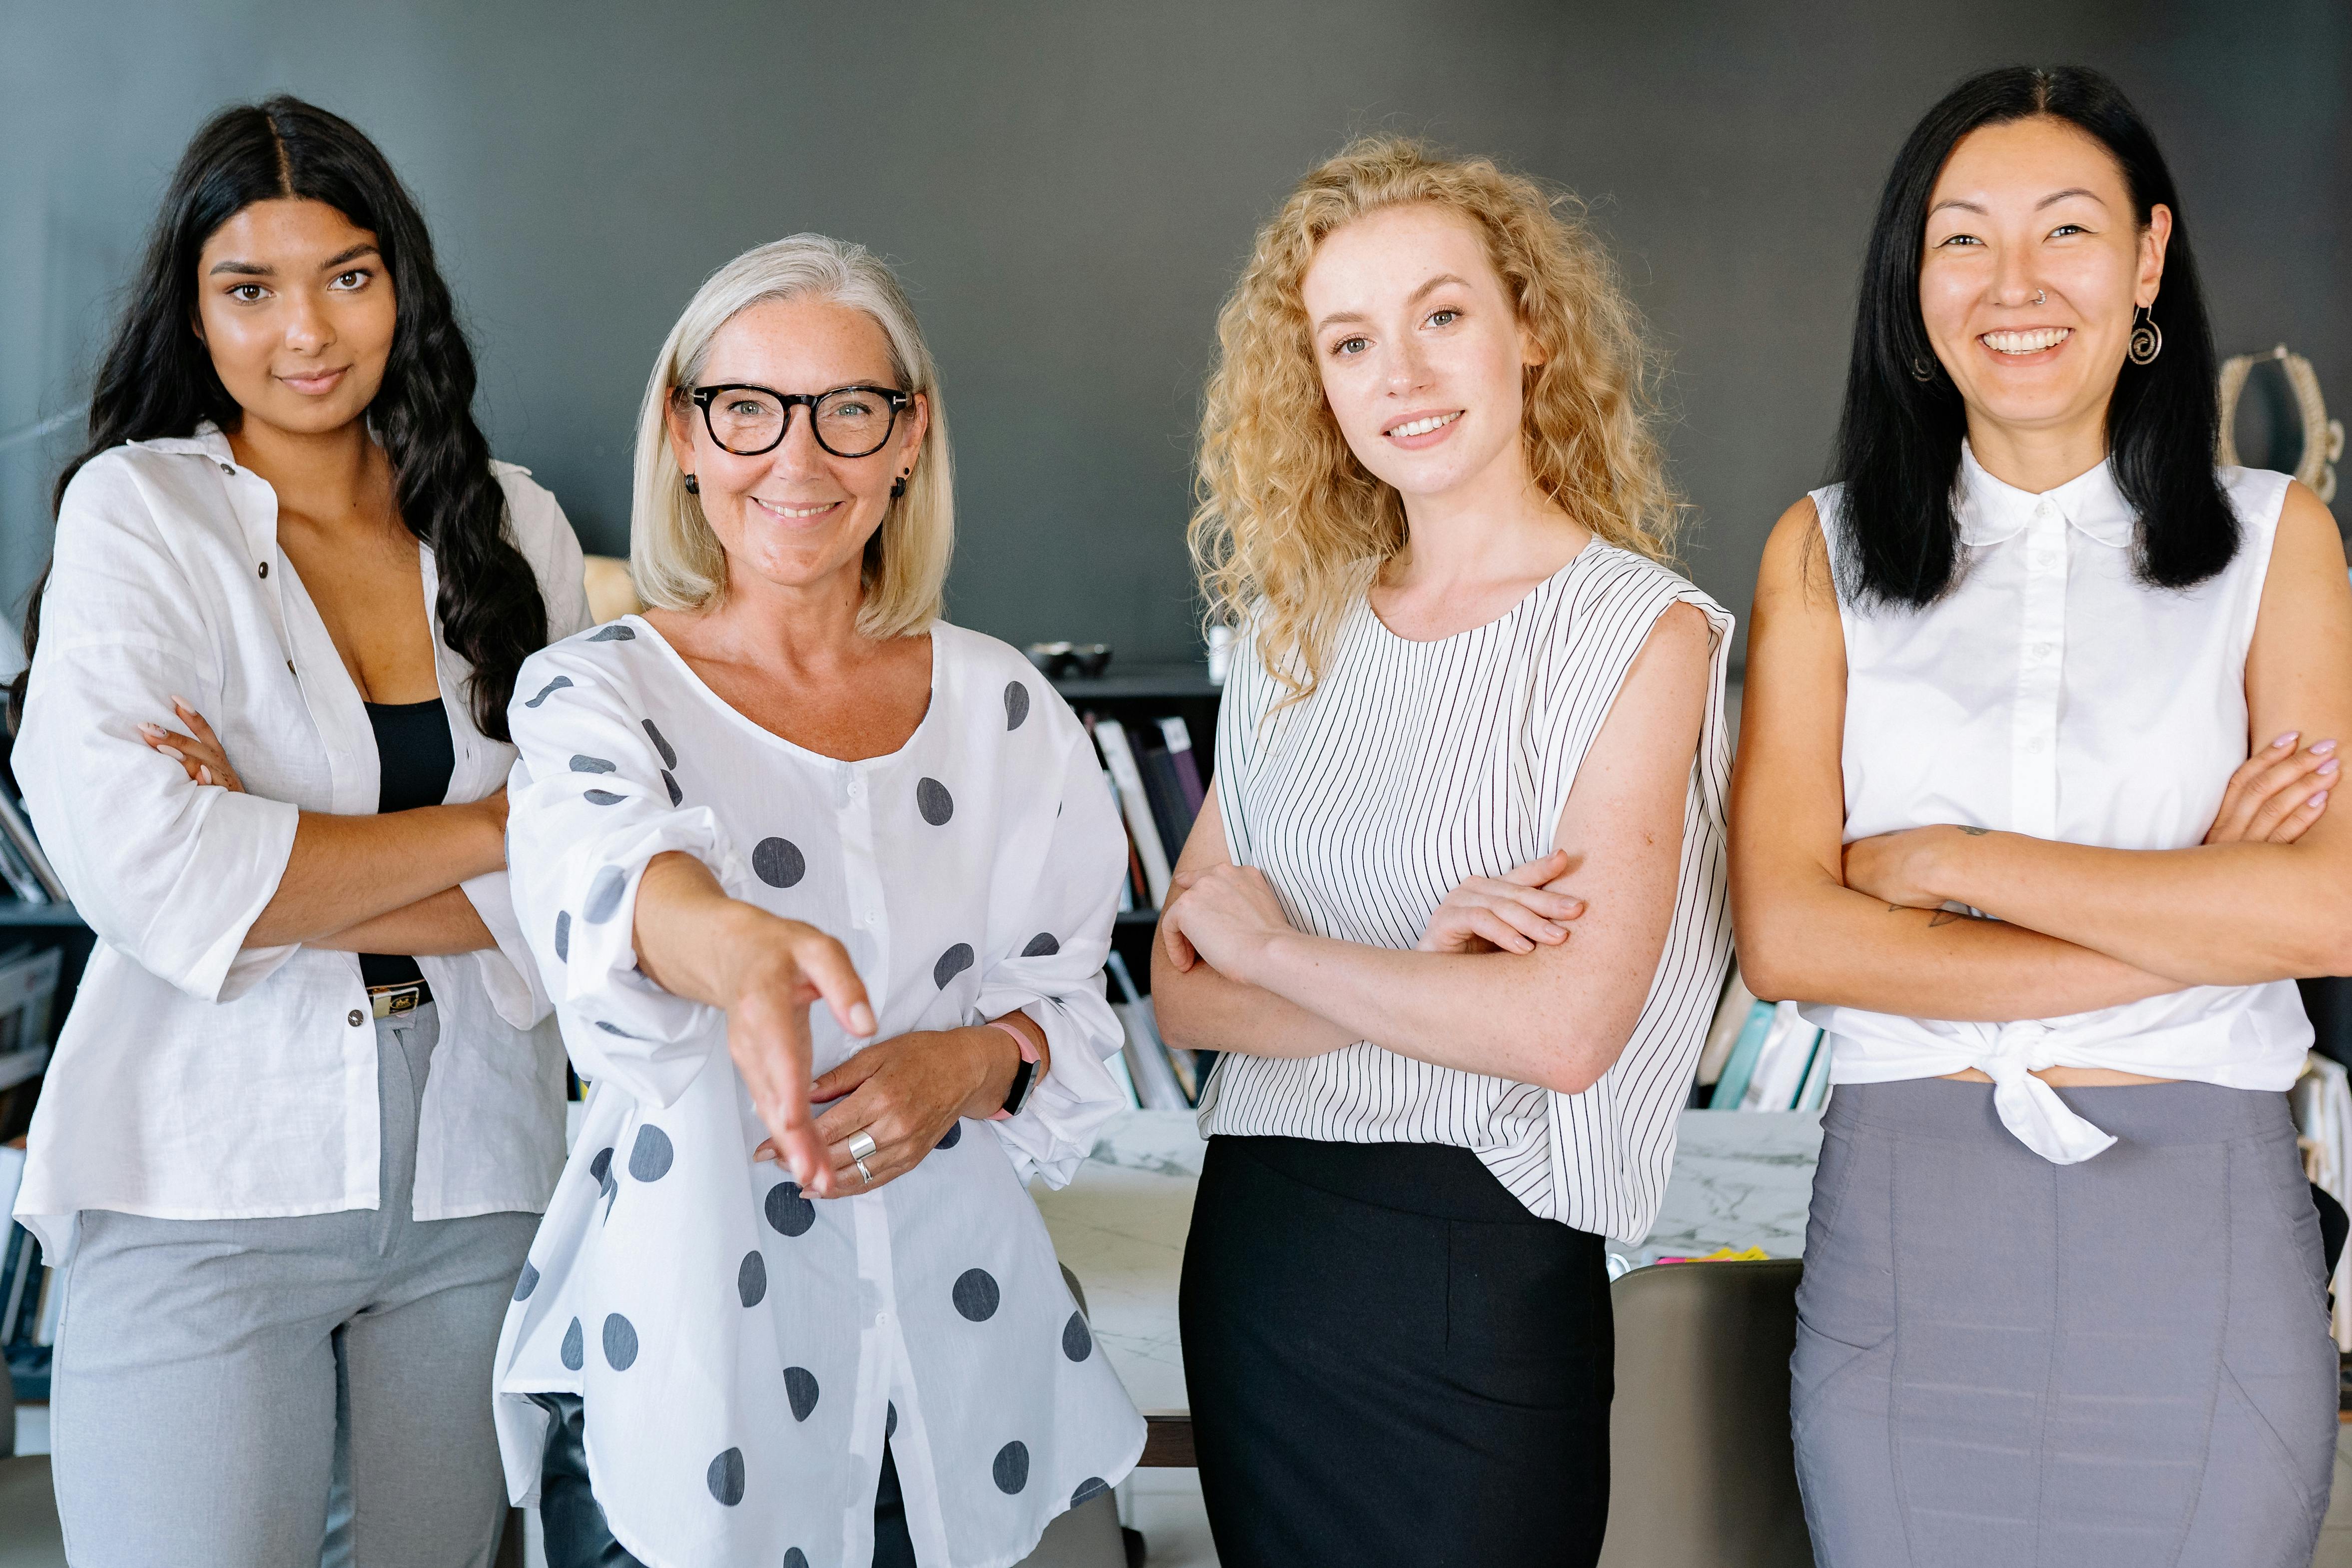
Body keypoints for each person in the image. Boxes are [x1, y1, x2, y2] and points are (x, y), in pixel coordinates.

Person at [1730, 65, 2348, 1565]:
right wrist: (2196, 901)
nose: (2013, 285)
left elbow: (2325, 906)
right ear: (1911, 275)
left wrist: (1950, 867)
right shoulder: (1818, 555)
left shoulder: (2276, 537)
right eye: (1962, 238)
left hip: (2197, 1223)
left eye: (2065, 232)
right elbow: (1787, 937)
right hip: (1906, 1227)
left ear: (2145, 257)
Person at [489, 234, 1143, 1568]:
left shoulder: (1005, 707)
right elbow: (611, 886)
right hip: (686, 1389)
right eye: (747, 409)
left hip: (953, 1397)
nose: (797, 460)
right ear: (682, 431)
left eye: (849, 410)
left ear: (908, 441)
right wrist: (740, 951)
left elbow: (1073, 1012)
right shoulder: (595, 691)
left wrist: (971, 1061)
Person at [10, 97, 590, 1567]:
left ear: (403, 282)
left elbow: (583, 880)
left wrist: (271, 852)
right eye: (248, 289)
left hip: (477, 1167)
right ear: (192, 315)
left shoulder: (514, 530)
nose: (306, 332)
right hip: (207, 1162)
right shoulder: (139, 516)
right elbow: (149, 871)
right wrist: (491, 830)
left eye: (347, 274)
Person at [1154, 136, 1735, 1566]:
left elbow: (1559, 1029)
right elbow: (1180, 993)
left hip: (1476, 1262)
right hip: (1258, 1249)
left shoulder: (1641, 634)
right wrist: (1416, 974)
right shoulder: (1291, 633)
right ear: (1316, 383)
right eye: (1350, 341)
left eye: (1441, 315)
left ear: (1530, 328)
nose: (1399, 375)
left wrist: (1280, 951)